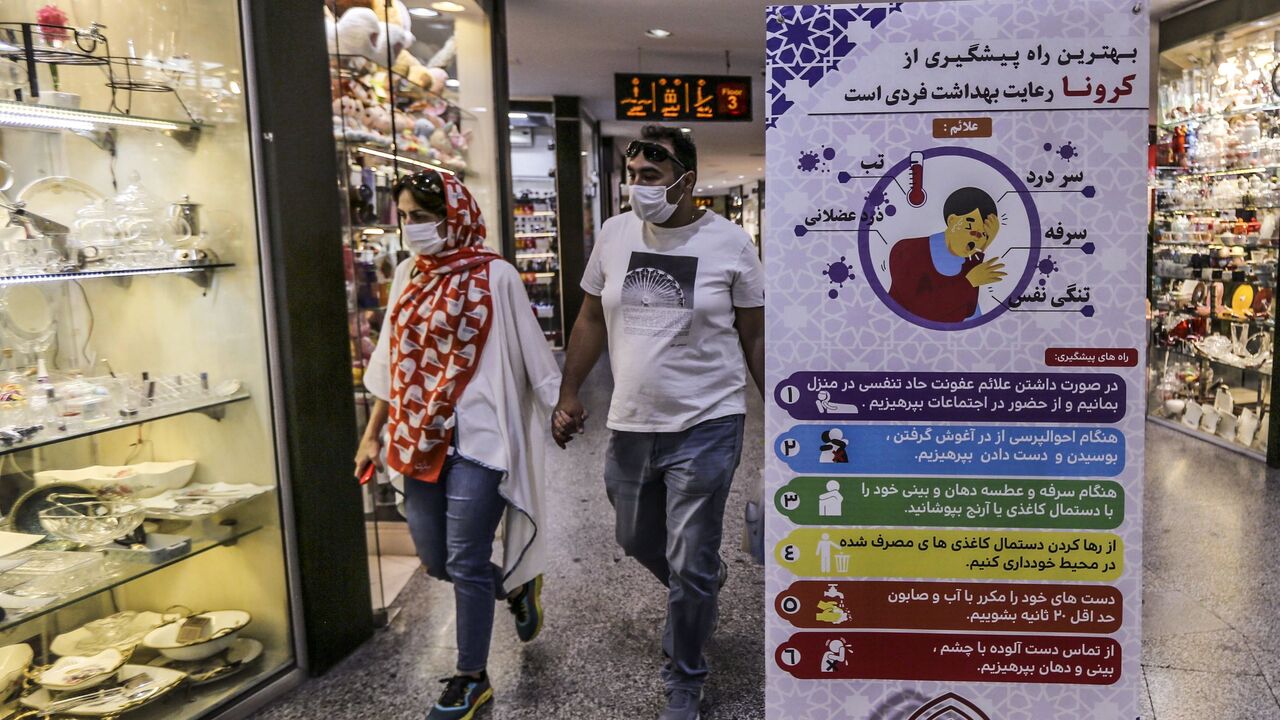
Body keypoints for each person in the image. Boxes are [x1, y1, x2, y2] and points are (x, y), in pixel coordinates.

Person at [553, 125, 765, 720]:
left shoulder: (728, 243)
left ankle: (685, 677)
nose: (638, 186)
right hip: (631, 422)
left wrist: (782, 408)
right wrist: (569, 391)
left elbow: (754, 333)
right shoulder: (616, 234)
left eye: (651, 175)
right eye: (633, 175)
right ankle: (701, 576)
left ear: (686, 180)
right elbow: (592, 315)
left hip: (707, 420)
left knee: (688, 560)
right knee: (632, 537)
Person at [354, 170, 561, 720]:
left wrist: (559, 406)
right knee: (437, 558)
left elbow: (531, 350)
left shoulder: (496, 277)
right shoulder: (406, 274)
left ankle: (472, 677)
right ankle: (514, 587)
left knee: (466, 559)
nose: (411, 228)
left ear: (453, 215)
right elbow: (389, 360)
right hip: (418, 435)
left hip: (479, 436)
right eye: (404, 217)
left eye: (421, 217)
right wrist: (372, 434)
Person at [887, 186, 1005, 323]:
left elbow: (968, 309)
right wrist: (970, 282)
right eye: (970, 229)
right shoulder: (906, 250)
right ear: (952, 220)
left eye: (983, 235)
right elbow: (921, 311)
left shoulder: (968, 263)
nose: (975, 240)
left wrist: (984, 246)